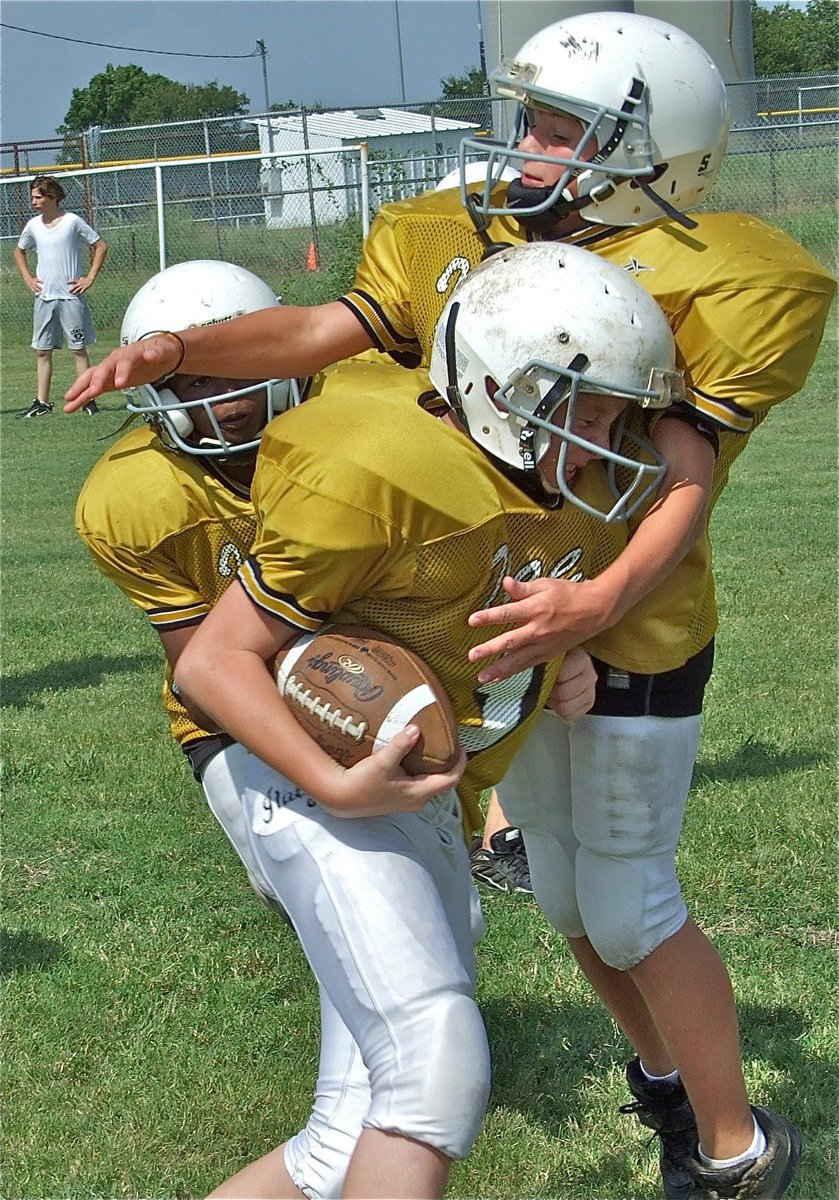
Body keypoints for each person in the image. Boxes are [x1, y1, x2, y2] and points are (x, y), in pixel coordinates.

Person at [64, 11, 835, 1195]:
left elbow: (678, 471)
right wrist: (182, 354)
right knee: (569, 894)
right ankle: (663, 1085)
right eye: (525, 117)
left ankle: (731, 1148)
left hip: (618, 602)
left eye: (556, 124)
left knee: (624, 899)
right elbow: (332, 329)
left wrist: (604, 601)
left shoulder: (735, 275)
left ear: (653, 141)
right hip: (491, 603)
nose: (523, 145)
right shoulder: (457, 240)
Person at [170, 242, 683, 1200]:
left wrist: (559, 658)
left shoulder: (557, 492)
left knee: (340, 1140)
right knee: (435, 1061)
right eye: (590, 413)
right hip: (312, 783)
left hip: (424, 799)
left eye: (623, 415)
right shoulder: (379, 472)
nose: (611, 441)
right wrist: (330, 779)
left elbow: (469, 605)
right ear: (496, 390)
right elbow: (212, 659)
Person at [14, 175, 106, 418]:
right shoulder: (33, 226)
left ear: (52, 197)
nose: (33, 201)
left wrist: (89, 278)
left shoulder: (72, 222)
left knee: (78, 349)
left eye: (38, 197)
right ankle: (42, 402)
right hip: (44, 297)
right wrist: (28, 279)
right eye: (32, 197)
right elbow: (19, 251)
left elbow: (100, 246)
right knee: (43, 351)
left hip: (70, 298)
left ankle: (88, 399)